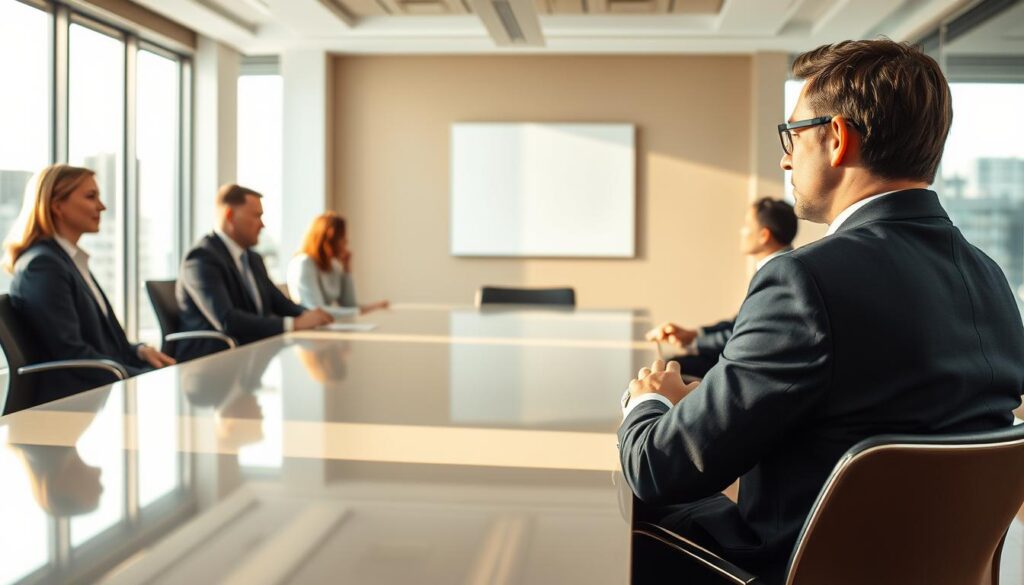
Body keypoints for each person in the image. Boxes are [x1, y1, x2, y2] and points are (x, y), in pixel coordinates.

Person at [618, 39, 1024, 584]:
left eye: (792, 134)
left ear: (836, 139)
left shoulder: (802, 281)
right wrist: (716, 404)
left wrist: (650, 403)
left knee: (637, 512)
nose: (785, 155)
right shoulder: (990, 279)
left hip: (793, 568)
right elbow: (874, 415)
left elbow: (658, 468)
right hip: (939, 571)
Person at [3, 164, 174, 406]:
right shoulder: (43, 266)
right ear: (57, 205)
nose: (102, 206)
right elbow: (71, 354)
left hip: (94, 391)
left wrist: (138, 351)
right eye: (90, 196)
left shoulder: (68, 261)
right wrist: (142, 378)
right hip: (71, 400)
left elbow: (100, 345)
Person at [175, 184, 332, 362]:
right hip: (209, 364)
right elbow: (227, 320)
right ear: (230, 215)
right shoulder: (201, 259)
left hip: (251, 359)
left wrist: (312, 316)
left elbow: (280, 304)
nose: (263, 225)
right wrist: (293, 324)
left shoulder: (253, 259)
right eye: (257, 216)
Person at [647, 197, 797, 378]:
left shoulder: (780, 273)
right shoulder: (778, 266)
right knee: (670, 365)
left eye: (747, 226)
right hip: (744, 356)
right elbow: (739, 322)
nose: (741, 231)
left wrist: (695, 343)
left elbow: (747, 334)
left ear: (764, 236)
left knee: (666, 370)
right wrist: (693, 335)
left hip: (754, 370)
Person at [286, 211, 389, 319]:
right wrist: (364, 310)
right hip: (309, 329)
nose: (346, 241)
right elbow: (316, 310)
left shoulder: (333, 265)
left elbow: (349, 304)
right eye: (342, 237)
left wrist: (347, 268)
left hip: (326, 326)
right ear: (328, 238)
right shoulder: (304, 263)